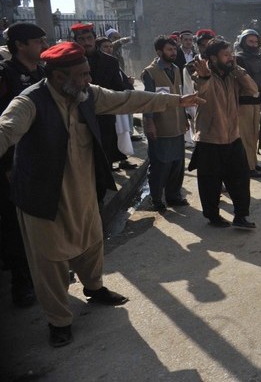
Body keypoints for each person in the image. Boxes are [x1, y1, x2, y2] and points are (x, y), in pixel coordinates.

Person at [0, 42, 203, 347]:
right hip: (42, 196)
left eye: (87, 73)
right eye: (82, 75)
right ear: (59, 77)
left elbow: (127, 99)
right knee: (49, 261)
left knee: (92, 242)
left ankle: (94, 289)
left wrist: (175, 101)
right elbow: (6, 130)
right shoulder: (29, 102)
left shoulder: (87, 95)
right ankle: (59, 320)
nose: (88, 79)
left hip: (83, 188)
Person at [0, 22, 48, 308]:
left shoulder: (43, 73)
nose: (43, 46)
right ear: (20, 45)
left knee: (44, 220)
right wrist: (7, 165)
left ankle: (46, 273)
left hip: (42, 159)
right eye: (38, 41)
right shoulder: (5, 76)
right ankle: (22, 283)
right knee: (15, 227)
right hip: (13, 164)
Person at [188, 39, 258, 230]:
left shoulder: (232, 75)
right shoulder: (202, 75)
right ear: (213, 57)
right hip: (210, 140)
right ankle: (213, 216)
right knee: (210, 183)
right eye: (226, 55)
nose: (230, 58)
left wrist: (237, 69)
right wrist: (204, 78)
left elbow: (253, 90)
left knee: (241, 179)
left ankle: (241, 217)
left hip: (233, 138)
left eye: (231, 54)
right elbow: (200, 91)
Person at [71, 23, 134, 178]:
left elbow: (118, 91)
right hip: (78, 120)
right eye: (81, 39)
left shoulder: (110, 62)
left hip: (104, 118)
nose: (86, 42)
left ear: (94, 39)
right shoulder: (70, 63)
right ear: (75, 41)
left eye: (89, 38)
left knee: (104, 160)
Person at [141, 36, 190, 212]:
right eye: (170, 50)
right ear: (159, 52)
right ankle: (156, 199)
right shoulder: (150, 72)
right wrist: (149, 123)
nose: (174, 52)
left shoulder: (176, 69)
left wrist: (184, 118)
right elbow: (148, 101)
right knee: (160, 166)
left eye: (175, 49)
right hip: (160, 127)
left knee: (177, 164)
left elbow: (179, 95)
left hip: (176, 124)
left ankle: (174, 196)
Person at [234, 29, 261, 177]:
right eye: (250, 41)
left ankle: (253, 162)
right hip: (244, 103)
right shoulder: (239, 59)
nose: (254, 45)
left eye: (255, 42)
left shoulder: (258, 58)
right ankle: (248, 166)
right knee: (246, 135)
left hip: (257, 102)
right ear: (243, 42)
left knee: (254, 134)